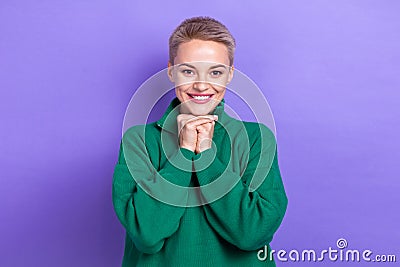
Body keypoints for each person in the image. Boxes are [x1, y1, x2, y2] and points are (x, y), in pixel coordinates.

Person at [112, 16, 288, 266]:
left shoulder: (256, 138)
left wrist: (206, 156)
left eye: (215, 72)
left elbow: (253, 234)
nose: (202, 84)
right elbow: (147, 235)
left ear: (229, 75)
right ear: (171, 72)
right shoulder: (138, 141)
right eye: (188, 71)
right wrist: (183, 153)